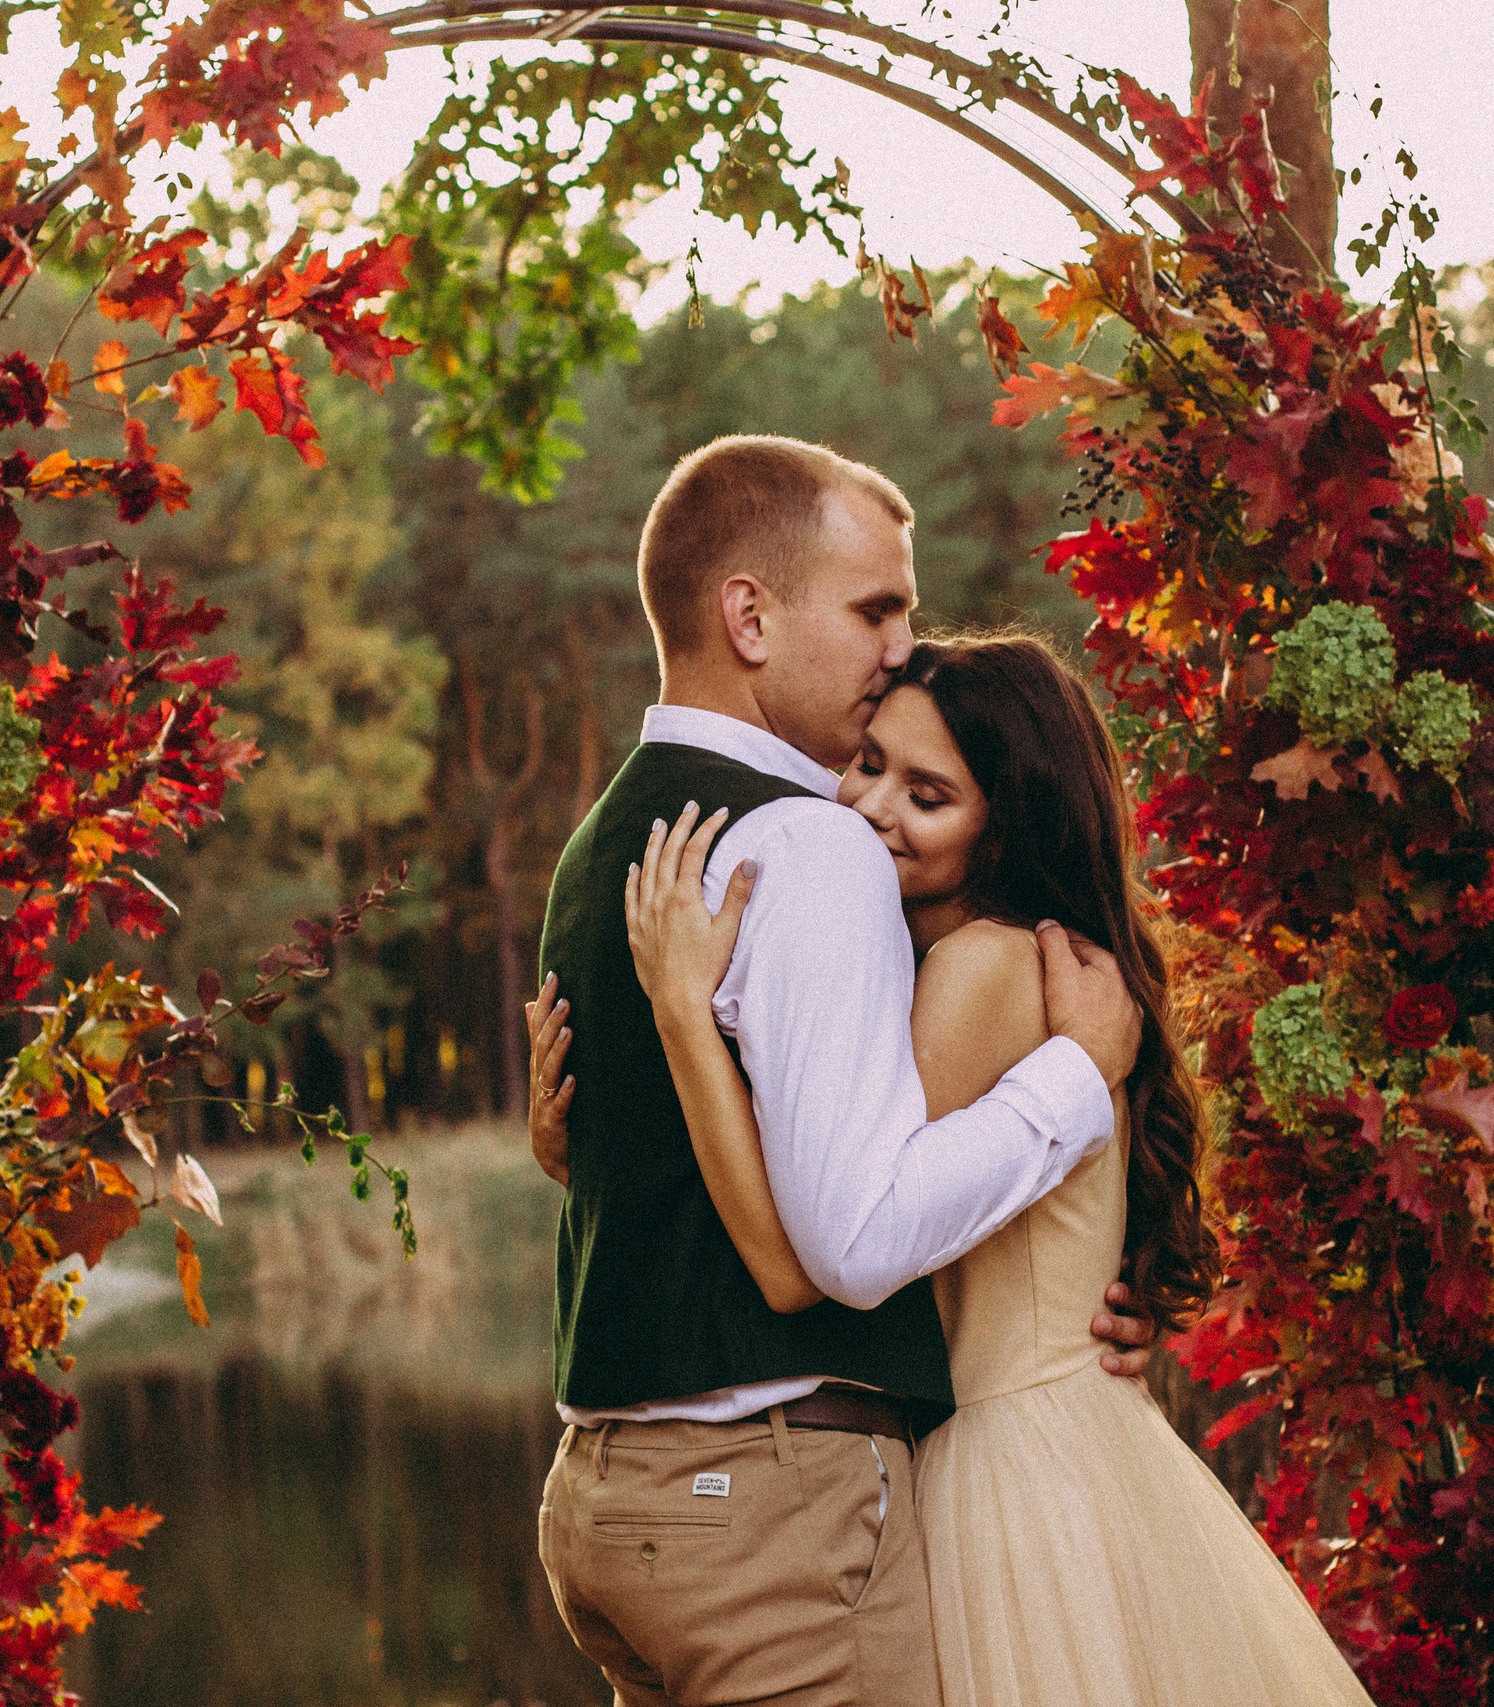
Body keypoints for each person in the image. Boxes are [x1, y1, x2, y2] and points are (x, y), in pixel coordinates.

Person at [538, 634, 1374, 1707]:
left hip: (1004, 1473)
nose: (871, 807)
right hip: (1027, 1441)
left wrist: (680, 1021)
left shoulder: (980, 969)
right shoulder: (967, 959)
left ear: (1006, 825)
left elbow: (807, 1253)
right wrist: (582, 1146)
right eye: (870, 762)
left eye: (927, 794)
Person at [527, 435, 1157, 1707]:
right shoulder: (808, 849)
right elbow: (852, 1243)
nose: (897, 646)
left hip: (611, 1501)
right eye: (877, 607)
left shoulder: (601, 841)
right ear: (748, 615)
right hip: (764, 1512)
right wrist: (1076, 1084)